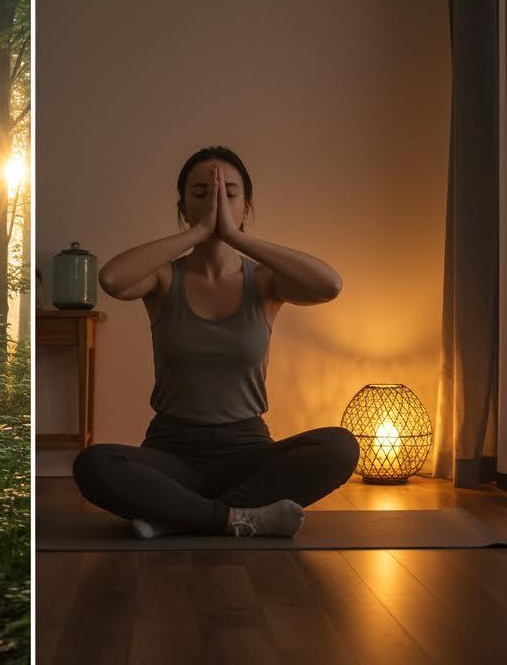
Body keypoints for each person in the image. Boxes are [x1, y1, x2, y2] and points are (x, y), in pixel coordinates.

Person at [72, 146, 360, 538]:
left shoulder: (264, 281)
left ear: (246, 206)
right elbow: (111, 280)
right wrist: (197, 234)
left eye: (229, 194)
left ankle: (176, 515)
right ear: (184, 206)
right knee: (94, 465)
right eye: (201, 193)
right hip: (172, 452)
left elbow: (330, 285)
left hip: (248, 452)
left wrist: (235, 238)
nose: (215, 203)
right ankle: (235, 517)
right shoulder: (163, 278)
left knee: (341, 446)